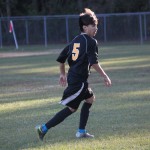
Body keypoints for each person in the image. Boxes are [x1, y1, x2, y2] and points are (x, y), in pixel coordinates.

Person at [35, 8, 111, 141]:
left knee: (90, 99)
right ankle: (43, 128)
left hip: (76, 79)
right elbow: (94, 62)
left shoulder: (75, 40)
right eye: (93, 26)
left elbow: (61, 58)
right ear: (85, 27)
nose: (96, 28)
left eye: (96, 26)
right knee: (71, 108)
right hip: (78, 81)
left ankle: (81, 131)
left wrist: (62, 74)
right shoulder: (91, 41)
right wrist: (105, 76)